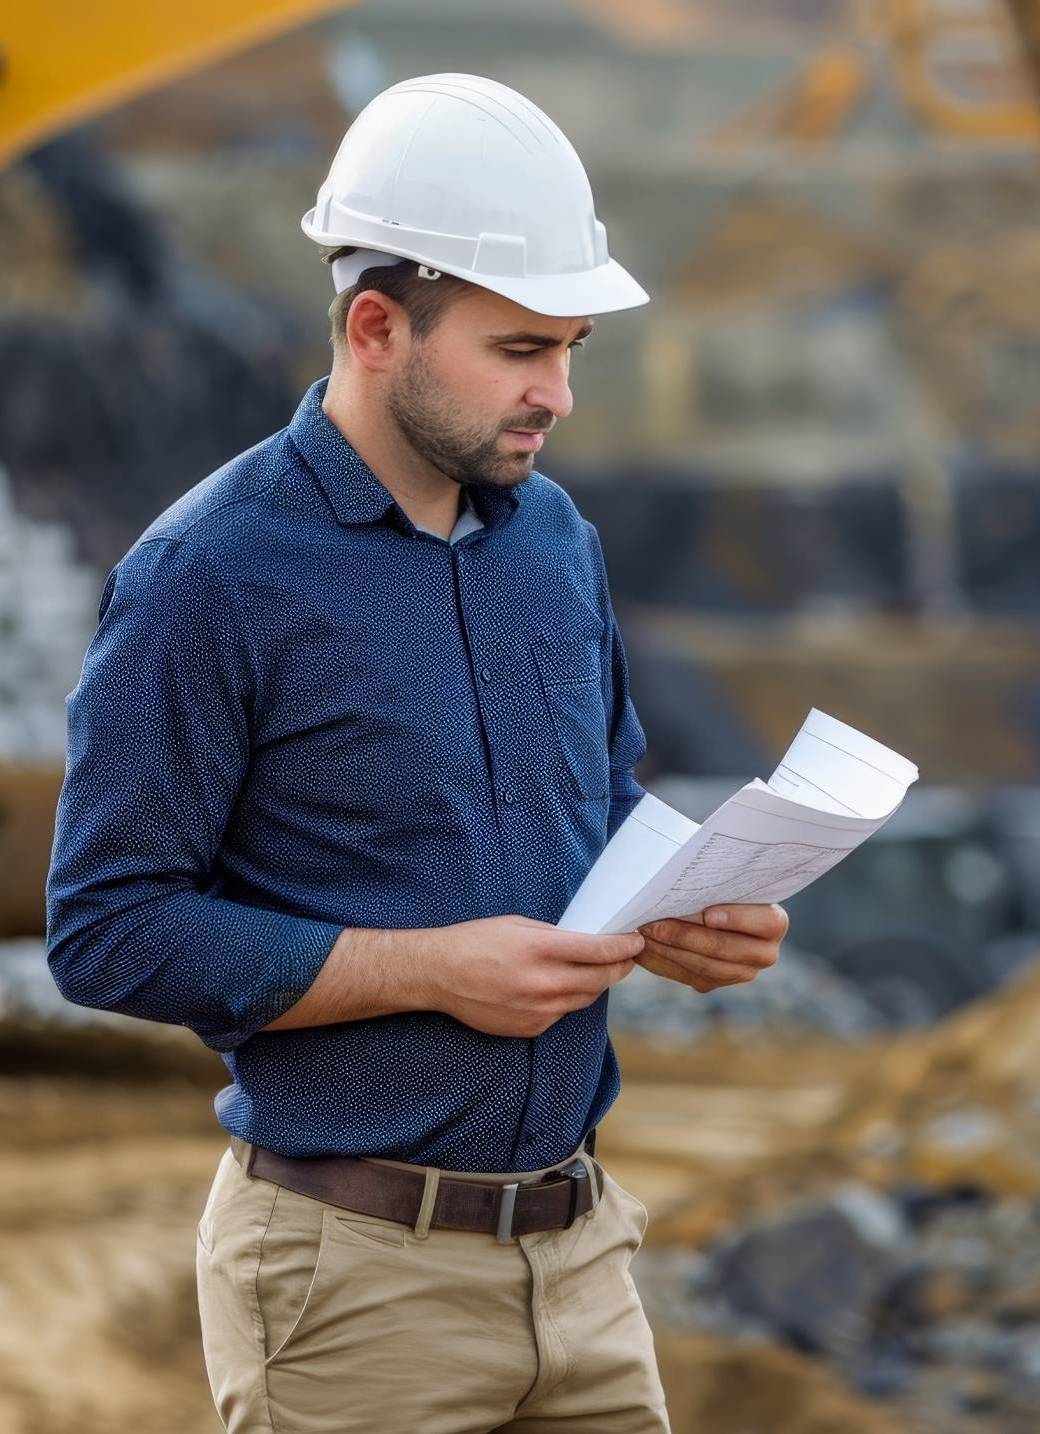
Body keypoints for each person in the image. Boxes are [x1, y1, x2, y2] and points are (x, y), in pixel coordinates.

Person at [45, 74, 788, 1433]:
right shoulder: (209, 575)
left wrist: (688, 910)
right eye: (520, 350)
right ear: (378, 325)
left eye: (570, 349)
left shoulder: (554, 541)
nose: (558, 392)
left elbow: (598, 804)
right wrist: (432, 968)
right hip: (349, 1295)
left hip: (583, 1260)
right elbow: (106, 927)